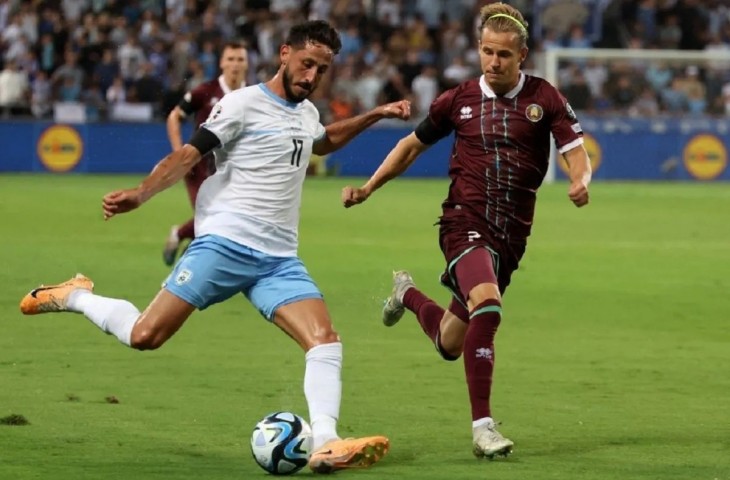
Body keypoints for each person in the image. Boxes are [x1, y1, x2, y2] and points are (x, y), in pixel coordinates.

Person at [20, 20, 411, 474]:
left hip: (278, 260)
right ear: (284, 53)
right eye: (306, 64)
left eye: (321, 70)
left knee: (324, 342)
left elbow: (322, 141)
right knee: (145, 336)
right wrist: (141, 194)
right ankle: (75, 295)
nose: (311, 77)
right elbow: (189, 155)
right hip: (223, 244)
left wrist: (376, 113)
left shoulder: (305, 113)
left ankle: (326, 441)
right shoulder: (241, 104)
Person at [341, 2, 591, 459]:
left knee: (450, 343)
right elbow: (410, 146)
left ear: (522, 56)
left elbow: (575, 147)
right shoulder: (457, 101)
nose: (494, 62)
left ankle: (406, 293)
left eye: (504, 55)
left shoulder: (545, 97)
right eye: (487, 52)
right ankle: (483, 428)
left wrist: (580, 179)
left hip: (511, 237)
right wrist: (369, 187)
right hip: (464, 223)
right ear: (478, 49)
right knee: (489, 308)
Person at [162, 42, 248, 266]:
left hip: (233, 169)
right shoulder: (206, 91)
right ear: (221, 63)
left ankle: (180, 236)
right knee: (213, 219)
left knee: (225, 219)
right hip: (199, 166)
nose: (235, 65)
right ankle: (187, 263)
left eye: (240, 59)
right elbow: (174, 116)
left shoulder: (253, 95)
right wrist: (179, 151)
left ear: (247, 63)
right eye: (230, 59)